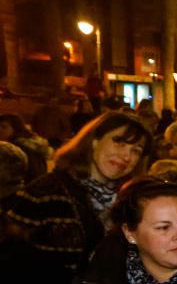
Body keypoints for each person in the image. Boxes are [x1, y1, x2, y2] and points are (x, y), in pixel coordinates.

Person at [3, 111, 151, 274]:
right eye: (119, 143)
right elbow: (11, 258)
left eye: (136, 150)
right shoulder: (47, 192)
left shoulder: (135, 199)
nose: (126, 156)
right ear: (94, 141)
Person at [0, 113, 51, 180]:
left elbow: (34, 173)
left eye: (4, 127)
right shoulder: (10, 145)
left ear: (16, 128)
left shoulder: (22, 147)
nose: (0, 129)